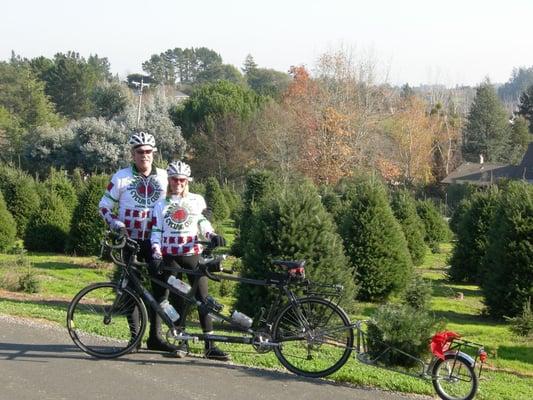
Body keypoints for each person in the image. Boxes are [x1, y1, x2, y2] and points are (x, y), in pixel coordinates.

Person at [98, 131, 180, 353]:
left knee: (160, 289)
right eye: (140, 152)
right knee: (130, 290)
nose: (144, 155)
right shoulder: (121, 177)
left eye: (148, 152)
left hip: (156, 242)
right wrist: (117, 225)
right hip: (130, 240)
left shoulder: (164, 177)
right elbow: (104, 205)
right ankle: (134, 338)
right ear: (132, 154)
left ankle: (155, 337)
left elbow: (180, 202)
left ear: (154, 153)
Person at [150, 160, 230, 361]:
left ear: (187, 181)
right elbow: (156, 231)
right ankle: (182, 342)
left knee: (203, 300)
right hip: (171, 257)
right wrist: (157, 254)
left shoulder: (196, 200)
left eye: (182, 180)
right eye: (174, 179)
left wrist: (212, 235)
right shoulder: (161, 204)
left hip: (193, 255)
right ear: (169, 180)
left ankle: (210, 346)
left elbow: (202, 221)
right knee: (178, 301)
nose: (178, 183)